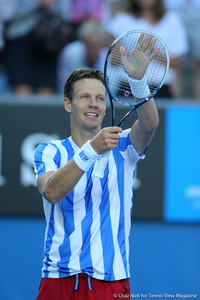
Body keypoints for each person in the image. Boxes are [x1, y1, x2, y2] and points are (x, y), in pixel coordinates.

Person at [34, 34, 159, 300]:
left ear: (105, 107)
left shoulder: (123, 145)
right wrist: (92, 149)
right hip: (59, 279)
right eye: (84, 97)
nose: (93, 104)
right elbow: (51, 192)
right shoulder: (49, 150)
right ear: (68, 104)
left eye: (100, 98)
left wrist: (137, 80)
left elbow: (149, 124)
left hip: (110, 282)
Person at [105, 0, 189, 99]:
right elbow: (113, 59)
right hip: (127, 86)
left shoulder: (172, 19)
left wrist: (152, 52)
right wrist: (136, 56)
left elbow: (177, 63)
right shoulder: (122, 19)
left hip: (161, 88)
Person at [3, 0, 67, 95]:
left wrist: (51, 4)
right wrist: (37, 3)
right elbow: (6, 13)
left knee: (46, 88)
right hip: (20, 40)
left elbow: (64, 13)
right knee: (21, 89)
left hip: (49, 43)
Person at [57, 20, 108, 93]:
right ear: (83, 42)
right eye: (90, 45)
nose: (93, 48)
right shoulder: (69, 54)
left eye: (97, 45)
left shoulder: (108, 59)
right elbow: (64, 84)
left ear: (102, 44)